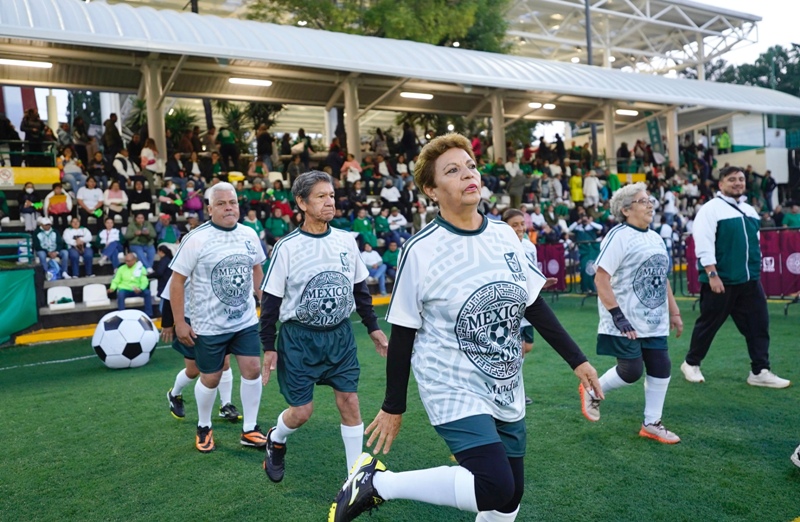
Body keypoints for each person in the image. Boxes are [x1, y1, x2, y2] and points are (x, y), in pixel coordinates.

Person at [329, 133, 602, 522]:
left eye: (471, 166)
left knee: (508, 499)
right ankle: (377, 485)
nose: (468, 175)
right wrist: (393, 406)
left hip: (506, 380)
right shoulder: (420, 250)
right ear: (431, 189)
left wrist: (579, 361)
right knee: (494, 485)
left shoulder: (505, 236)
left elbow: (534, 305)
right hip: (451, 383)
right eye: (453, 170)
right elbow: (404, 334)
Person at [259, 170, 389, 483]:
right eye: (321, 196)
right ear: (301, 203)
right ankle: (276, 439)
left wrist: (372, 328)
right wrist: (268, 347)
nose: (329, 202)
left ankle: (354, 479)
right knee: (301, 413)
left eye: (331, 195)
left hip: (340, 336)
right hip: (299, 340)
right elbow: (271, 302)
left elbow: (360, 290)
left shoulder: (346, 240)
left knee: (350, 402)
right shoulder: (287, 247)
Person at [578, 183, 683, 444]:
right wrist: (618, 316)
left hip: (655, 321)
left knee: (661, 366)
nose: (650, 205)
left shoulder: (656, 237)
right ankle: (591, 390)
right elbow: (601, 279)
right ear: (625, 210)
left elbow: (662, 277)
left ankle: (652, 423)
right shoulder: (619, 235)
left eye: (650, 200)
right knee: (631, 370)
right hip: (625, 321)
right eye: (642, 201)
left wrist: (674, 311)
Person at [169, 182, 267, 453]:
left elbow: (257, 268)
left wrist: (262, 298)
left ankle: (250, 429)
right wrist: (179, 322)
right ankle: (203, 426)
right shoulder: (196, 239)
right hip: (209, 325)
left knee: (253, 369)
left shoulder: (249, 234)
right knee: (210, 378)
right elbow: (176, 282)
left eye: (232, 202)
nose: (228, 208)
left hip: (245, 320)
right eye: (221, 204)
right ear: (209, 208)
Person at [681, 166, 790, 388]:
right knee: (709, 324)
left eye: (741, 179)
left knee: (759, 324)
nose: (738, 183)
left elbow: (754, 243)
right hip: (721, 280)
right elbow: (703, 243)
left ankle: (760, 371)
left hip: (749, 281)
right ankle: (691, 363)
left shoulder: (750, 210)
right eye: (732, 180)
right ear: (720, 184)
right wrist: (712, 274)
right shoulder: (710, 209)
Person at [161, 274, 243, 423]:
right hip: (191, 322)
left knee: (224, 363)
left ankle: (226, 405)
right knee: (194, 370)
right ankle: (175, 393)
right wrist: (167, 323)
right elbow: (168, 295)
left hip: (216, 321)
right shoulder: (184, 264)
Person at [108, 252, 153, 317]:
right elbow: (116, 280)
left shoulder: (141, 268)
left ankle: (149, 315)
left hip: (137, 289)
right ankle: (122, 315)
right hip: (125, 289)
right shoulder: (121, 268)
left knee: (147, 292)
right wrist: (112, 288)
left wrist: (141, 288)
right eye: (125, 261)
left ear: (134, 260)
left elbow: (144, 281)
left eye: (128, 261)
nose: (127, 262)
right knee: (120, 294)